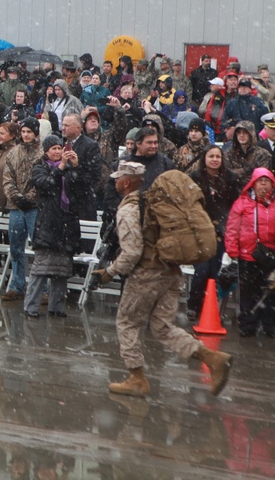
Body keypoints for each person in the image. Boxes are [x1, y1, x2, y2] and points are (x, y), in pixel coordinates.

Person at [92, 162, 232, 397]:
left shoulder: (128, 210)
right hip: (171, 273)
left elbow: (133, 251)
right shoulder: (154, 204)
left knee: (127, 322)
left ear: (126, 182)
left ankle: (137, 378)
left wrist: (110, 272)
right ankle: (212, 357)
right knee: (162, 327)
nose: (114, 182)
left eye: (117, 178)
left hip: (147, 275)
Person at [24, 135, 79, 318]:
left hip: (66, 223)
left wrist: (76, 167)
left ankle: (57, 307)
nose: (57, 152)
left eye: (59, 148)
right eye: (53, 149)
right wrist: (61, 168)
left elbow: (82, 189)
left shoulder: (70, 168)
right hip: (47, 223)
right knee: (40, 269)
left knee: (61, 271)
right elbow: (46, 185)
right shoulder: (40, 168)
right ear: (46, 152)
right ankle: (31, 307)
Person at [186, 146, 239, 320]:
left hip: (220, 234)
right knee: (202, 270)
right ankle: (193, 305)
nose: (215, 159)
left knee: (214, 272)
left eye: (218, 156)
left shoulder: (230, 178)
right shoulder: (195, 178)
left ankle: (209, 307)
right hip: (199, 233)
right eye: (211, 156)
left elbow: (234, 205)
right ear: (205, 158)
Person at [224, 167, 275, 337]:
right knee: (248, 293)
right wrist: (232, 249)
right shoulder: (242, 203)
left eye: (266, 181)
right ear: (252, 184)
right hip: (248, 255)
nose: (263, 185)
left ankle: (270, 326)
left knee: (270, 293)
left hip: (271, 256)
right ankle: (248, 325)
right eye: (259, 181)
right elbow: (232, 228)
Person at [1, 117, 43, 301]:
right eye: (24, 131)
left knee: (39, 249)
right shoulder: (13, 153)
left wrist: (29, 198)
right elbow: (7, 179)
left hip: (35, 208)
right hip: (15, 207)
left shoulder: (43, 153)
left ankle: (42, 289)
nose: (26, 135)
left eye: (29, 132)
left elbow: (42, 181)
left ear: (35, 133)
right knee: (15, 248)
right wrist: (16, 197)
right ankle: (17, 285)